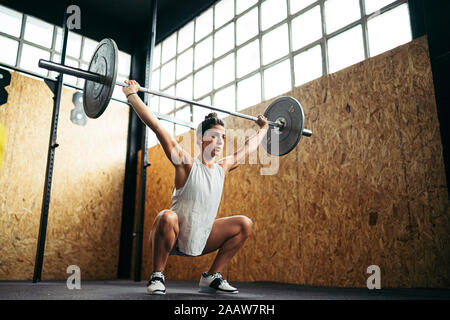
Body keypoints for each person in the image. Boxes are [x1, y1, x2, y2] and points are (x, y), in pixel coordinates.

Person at [123, 80, 269, 295]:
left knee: (244, 224)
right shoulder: (186, 164)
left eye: (222, 137)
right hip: (172, 237)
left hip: (202, 237)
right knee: (166, 216)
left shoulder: (223, 167)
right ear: (201, 138)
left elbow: (248, 148)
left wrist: (264, 128)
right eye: (214, 136)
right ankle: (157, 275)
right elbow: (157, 127)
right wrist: (131, 95)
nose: (219, 142)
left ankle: (212, 276)